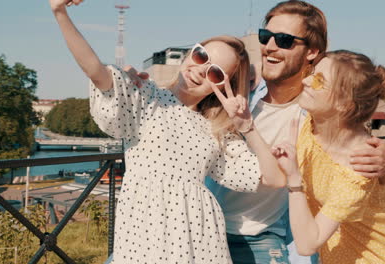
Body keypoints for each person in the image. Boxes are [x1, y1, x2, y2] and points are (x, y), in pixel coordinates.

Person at [125, 1, 385, 263]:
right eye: (266, 36)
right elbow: (177, 115)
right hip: (192, 228)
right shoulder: (237, 92)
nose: (269, 46)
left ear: (312, 51)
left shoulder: (316, 111)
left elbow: (355, 150)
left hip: (258, 239)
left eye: (284, 40)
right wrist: (135, 90)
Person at [49, 0, 289, 263]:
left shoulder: (217, 130)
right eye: (200, 56)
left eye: (215, 73)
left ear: (224, 85)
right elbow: (97, 72)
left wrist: (248, 127)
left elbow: (274, 179)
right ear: (189, 54)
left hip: (201, 240)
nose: (200, 71)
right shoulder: (148, 96)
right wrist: (60, 14)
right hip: (143, 236)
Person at [272, 51, 385, 264]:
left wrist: (294, 179)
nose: (306, 81)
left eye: (319, 81)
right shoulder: (312, 121)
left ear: (344, 104)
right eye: (312, 73)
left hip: (374, 255)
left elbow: (307, 244)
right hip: (338, 243)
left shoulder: (358, 165)